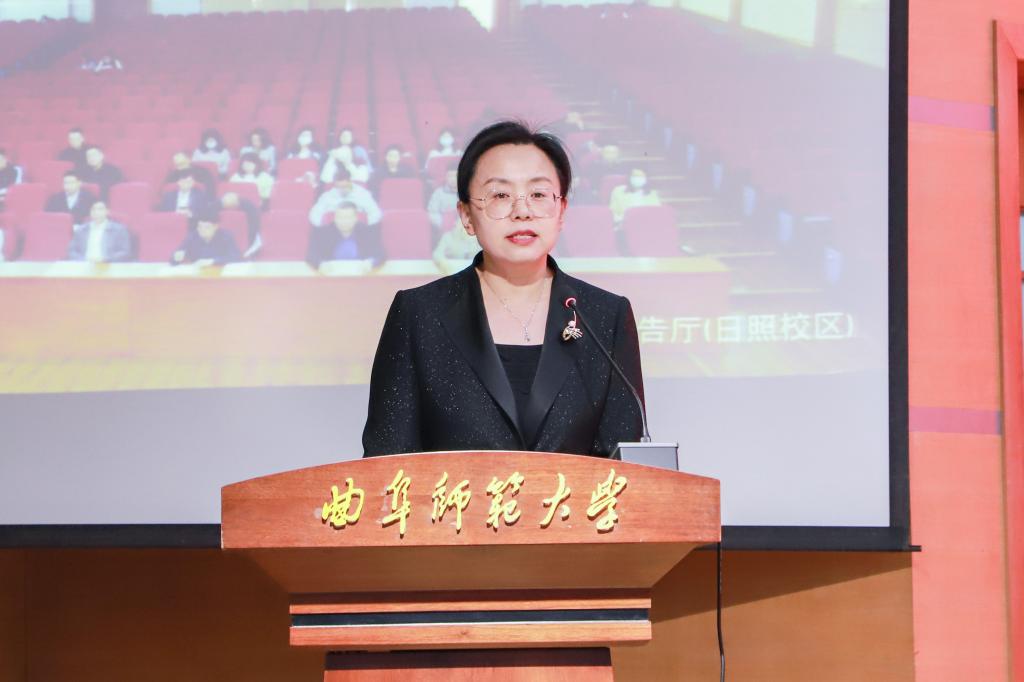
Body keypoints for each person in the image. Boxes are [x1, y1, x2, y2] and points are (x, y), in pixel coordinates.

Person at [362, 120, 644, 458]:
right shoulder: (419, 314)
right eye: (500, 195)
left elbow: (626, 467)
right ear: (466, 216)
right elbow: (388, 461)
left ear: (561, 211)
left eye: (538, 195)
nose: (522, 211)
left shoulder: (605, 317)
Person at [306, 203, 384, 268]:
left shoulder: (367, 232)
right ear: (334, 218)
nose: (344, 221)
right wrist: (321, 265)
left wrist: (370, 263)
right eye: (340, 217)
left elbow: (381, 254)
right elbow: (311, 255)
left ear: (356, 218)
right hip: (331, 275)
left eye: (348, 218)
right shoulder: (323, 233)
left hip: (360, 275)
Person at [170, 203, 242, 266]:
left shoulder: (226, 236)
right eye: (200, 227)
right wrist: (176, 257)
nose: (202, 230)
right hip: (198, 274)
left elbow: (236, 257)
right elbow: (174, 258)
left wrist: (213, 261)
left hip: (220, 272)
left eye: (207, 227)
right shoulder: (192, 237)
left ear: (216, 226)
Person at [308, 167, 382, 227]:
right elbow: (314, 214)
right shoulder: (327, 196)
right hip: (332, 230)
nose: (342, 190)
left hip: (357, 230)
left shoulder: (363, 194)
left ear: (350, 182)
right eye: (339, 187)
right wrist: (323, 226)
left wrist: (365, 227)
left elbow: (376, 213)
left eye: (345, 187)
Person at [66, 201, 133, 263]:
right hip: (84, 265)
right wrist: (84, 260)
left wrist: (105, 259)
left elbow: (125, 252)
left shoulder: (119, 230)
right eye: (93, 209)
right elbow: (72, 251)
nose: (96, 212)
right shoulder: (81, 230)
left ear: (107, 211)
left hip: (109, 265)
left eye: (100, 209)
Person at [220, 191, 262, 258]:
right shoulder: (218, 207)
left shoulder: (250, 209)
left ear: (237, 203)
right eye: (227, 207)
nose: (229, 210)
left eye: (231, 207)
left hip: (250, 240)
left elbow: (254, 230)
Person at [426, 166, 459, 232]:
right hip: (445, 228)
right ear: (446, 177)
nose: (453, 179)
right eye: (450, 176)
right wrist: (443, 222)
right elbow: (431, 213)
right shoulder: (438, 193)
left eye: (455, 176)